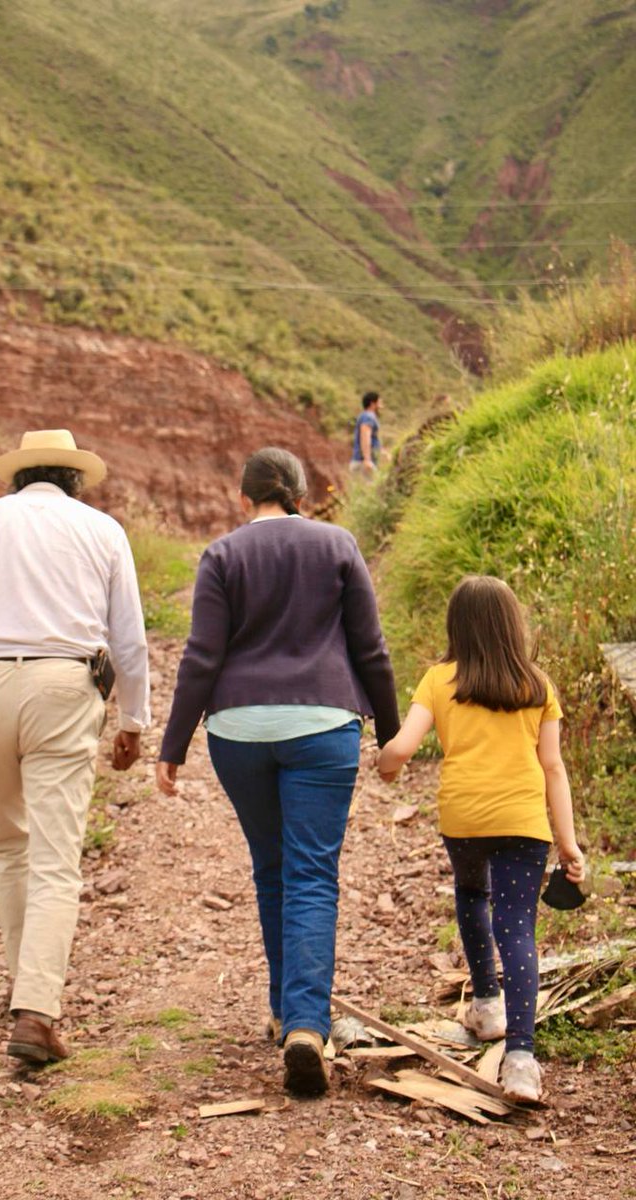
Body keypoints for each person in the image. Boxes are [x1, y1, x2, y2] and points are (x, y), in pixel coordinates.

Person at [156, 447, 399, 1096]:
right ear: (301, 492)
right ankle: (305, 1024)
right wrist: (391, 730)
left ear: (244, 498)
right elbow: (369, 648)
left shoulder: (223, 556)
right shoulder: (337, 544)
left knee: (272, 865)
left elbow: (202, 656)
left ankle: (281, 1007)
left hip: (237, 730)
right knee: (312, 870)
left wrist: (172, 745)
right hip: (323, 727)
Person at [0, 429, 150, 1065]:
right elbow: (127, 635)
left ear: (19, 477)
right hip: (63, 688)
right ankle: (37, 1011)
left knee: (7, 840)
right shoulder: (101, 530)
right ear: (74, 479)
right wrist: (135, 718)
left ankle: (25, 989)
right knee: (55, 854)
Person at [376, 575, 584, 1104]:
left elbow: (401, 748)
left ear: (457, 626)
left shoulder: (439, 680)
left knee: (472, 895)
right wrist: (569, 842)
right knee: (517, 929)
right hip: (523, 823)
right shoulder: (537, 684)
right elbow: (553, 767)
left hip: (465, 818)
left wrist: (386, 765)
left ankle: (487, 1003)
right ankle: (520, 1059)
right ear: (512, 625)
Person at [349, 390, 383, 477]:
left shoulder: (366, 416)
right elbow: (365, 436)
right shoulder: (368, 416)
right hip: (363, 463)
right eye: (379, 401)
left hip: (362, 462)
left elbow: (372, 439)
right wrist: (367, 459)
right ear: (372, 403)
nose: (381, 403)